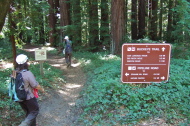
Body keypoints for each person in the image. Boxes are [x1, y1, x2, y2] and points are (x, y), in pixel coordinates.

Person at [14, 54, 45, 126]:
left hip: (19, 97)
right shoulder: (27, 73)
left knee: (29, 112)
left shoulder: (14, 73)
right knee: (34, 111)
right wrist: (42, 89)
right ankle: (24, 124)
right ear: (25, 62)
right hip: (28, 97)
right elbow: (35, 85)